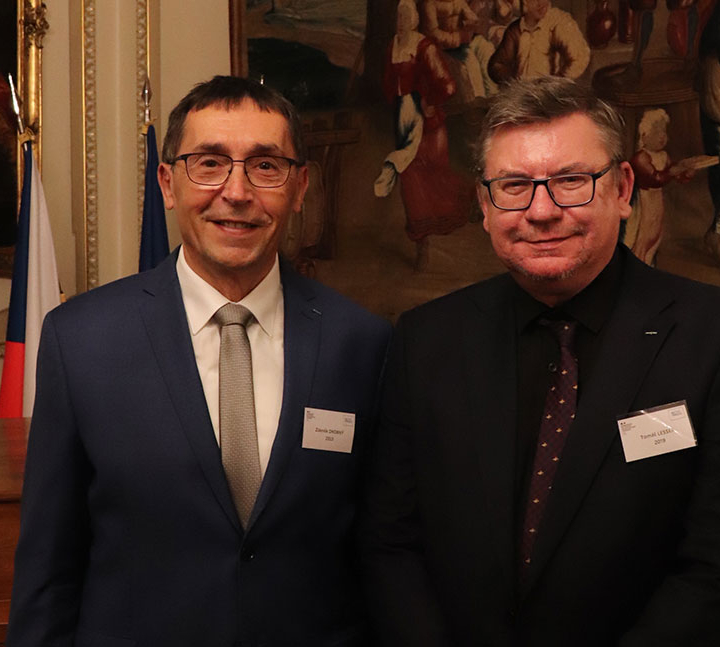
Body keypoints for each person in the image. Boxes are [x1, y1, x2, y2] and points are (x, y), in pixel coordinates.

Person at [8, 76, 391, 647]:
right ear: (168, 183)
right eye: (209, 163)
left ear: (300, 187)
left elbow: (380, 552)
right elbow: (48, 570)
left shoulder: (361, 342)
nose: (236, 192)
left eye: (266, 166)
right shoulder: (82, 341)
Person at [360, 76, 720, 646]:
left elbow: (710, 568)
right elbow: (391, 543)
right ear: (484, 205)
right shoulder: (426, 341)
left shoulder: (708, 335)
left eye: (571, 181)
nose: (542, 210)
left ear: (623, 189)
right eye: (514, 185)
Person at [375, 0, 475, 271]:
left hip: (429, 126)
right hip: (404, 121)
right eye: (399, 16)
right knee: (410, 180)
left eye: (407, 16)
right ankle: (421, 241)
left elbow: (448, 85)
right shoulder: (393, 46)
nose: (402, 21)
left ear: (416, 19)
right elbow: (388, 80)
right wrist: (399, 103)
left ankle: (471, 198)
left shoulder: (425, 47)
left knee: (436, 177)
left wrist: (429, 101)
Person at [487, 0, 590, 85]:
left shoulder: (558, 21)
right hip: (522, 95)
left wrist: (556, 83)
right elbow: (496, 66)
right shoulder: (515, 30)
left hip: (548, 97)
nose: (542, 3)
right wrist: (516, 81)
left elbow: (581, 56)